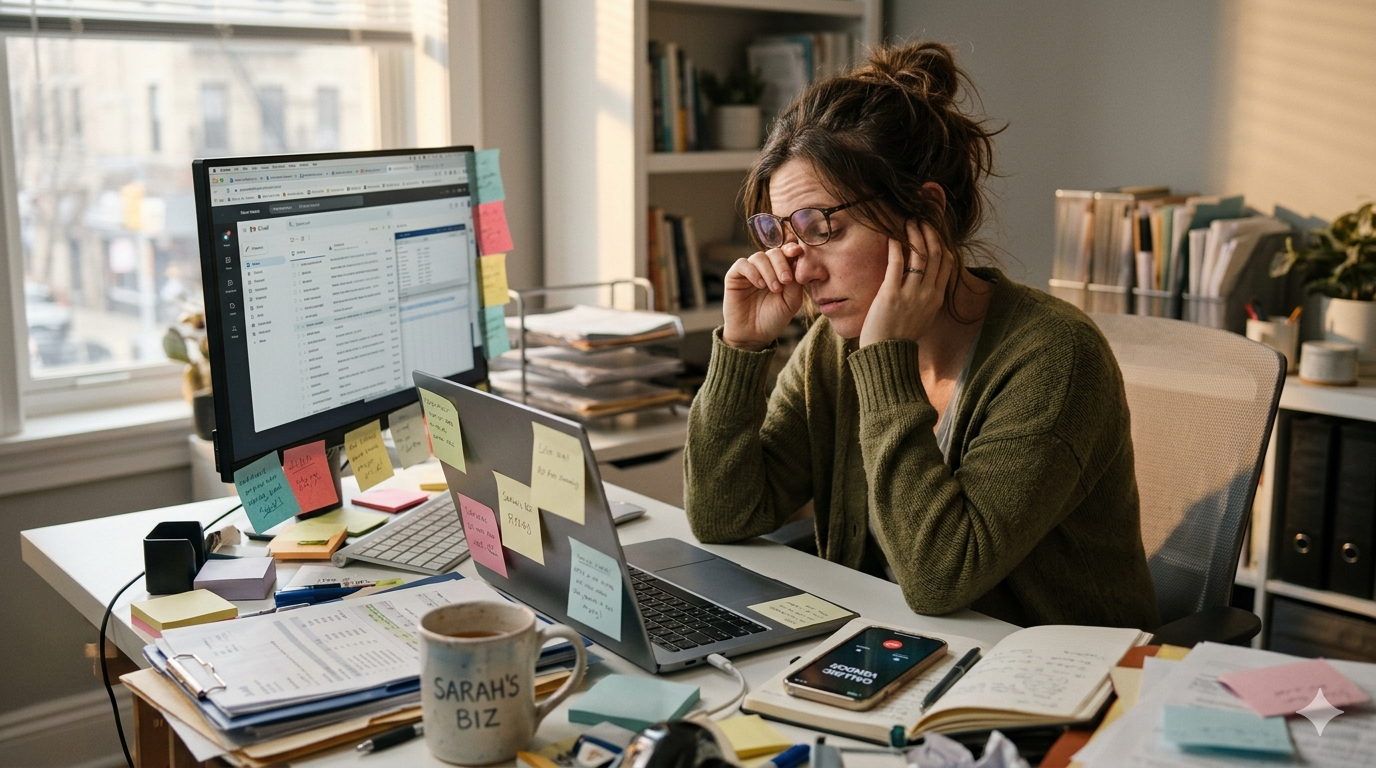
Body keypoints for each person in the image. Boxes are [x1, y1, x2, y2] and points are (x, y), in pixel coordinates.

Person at [682, 42, 1159, 630]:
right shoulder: (833, 346)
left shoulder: (1056, 358)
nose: (801, 269)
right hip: (891, 646)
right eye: (782, 234)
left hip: (1047, 675)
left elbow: (940, 578)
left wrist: (886, 361)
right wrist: (742, 349)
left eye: (822, 227)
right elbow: (721, 515)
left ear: (926, 213)